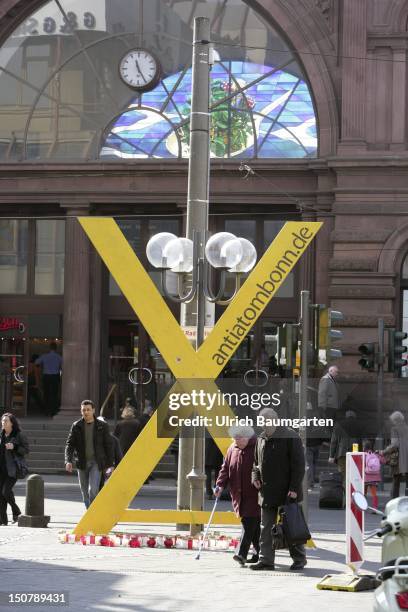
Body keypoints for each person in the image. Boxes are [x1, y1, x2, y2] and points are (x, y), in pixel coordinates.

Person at [250, 408, 306, 571]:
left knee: (291, 527)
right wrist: (255, 478)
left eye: (264, 421)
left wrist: (294, 488)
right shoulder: (260, 438)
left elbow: (299, 465)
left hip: (287, 492)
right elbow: (255, 464)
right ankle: (266, 560)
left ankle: (299, 559)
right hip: (266, 493)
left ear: (273, 420)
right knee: (265, 527)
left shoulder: (290, 436)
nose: (261, 425)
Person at [215, 426, 260, 566]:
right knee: (254, 526)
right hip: (238, 494)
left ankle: (241, 554)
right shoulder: (232, 448)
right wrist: (220, 485)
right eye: (234, 439)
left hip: (255, 493)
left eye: (239, 438)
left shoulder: (257, 447)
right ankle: (260, 553)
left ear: (247, 437)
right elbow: (225, 468)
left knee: (248, 523)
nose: (236, 441)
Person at [64, 400, 114, 509]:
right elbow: (70, 444)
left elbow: (108, 445)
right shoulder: (76, 426)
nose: (86, 412)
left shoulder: (102, 426)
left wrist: (110, 464)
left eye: (88, 410)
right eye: (83, 410)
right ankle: (89, 512)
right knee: (84, 492)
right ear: (81, 411)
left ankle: (93, 514)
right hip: (82, 462)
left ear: (93, 410)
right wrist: (68, 461)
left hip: (96, 462)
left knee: (93, 490)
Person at [0, 413, 29, 525]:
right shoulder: (1, 435)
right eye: (2, 421)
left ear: (12, 423)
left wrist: (15, 447)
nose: (3, 423)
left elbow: (26, 450)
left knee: (5, 492)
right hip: (1, 469)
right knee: (1, 494)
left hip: (13, 469)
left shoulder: (18, 435)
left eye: (6, 421)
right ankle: (3, 520)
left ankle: (16, 511)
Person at [328, 410, 363, 484]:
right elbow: (361, 440)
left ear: (346, 416)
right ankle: (351, 490)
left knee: (343, 473)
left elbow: (334, 441)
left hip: (342, 452)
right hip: (355, 450)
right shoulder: (359, 424)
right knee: (353, 472)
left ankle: (345, 492)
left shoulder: (339, 424)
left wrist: (331, 455)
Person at [383, 411, 408, 499]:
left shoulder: (394, 429)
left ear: (396, 420)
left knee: (396, 481)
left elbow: (395, 444)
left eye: (393, 421)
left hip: (398, 459)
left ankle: (394, 501)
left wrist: (385, 451)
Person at [35, 342, 62, 417]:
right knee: (54, 394)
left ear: (49, 348)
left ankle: (47, 410)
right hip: (55, 376)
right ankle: (53, 411)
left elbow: (36, 362)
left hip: (46, 376)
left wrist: (41, 367)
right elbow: (63, 364)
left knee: (46, 394)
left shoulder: (45, 356)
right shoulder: (58, 357)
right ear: (56, 348)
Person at [363, 440, 384, 510]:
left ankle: (363, 506)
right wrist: (380, 454)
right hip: (375, 477)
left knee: (364, 492)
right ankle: (375, 507)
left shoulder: (363, 455)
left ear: (364, 447)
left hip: (366, 476)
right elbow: (383, 461)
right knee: (374, 493)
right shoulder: (376, 454)